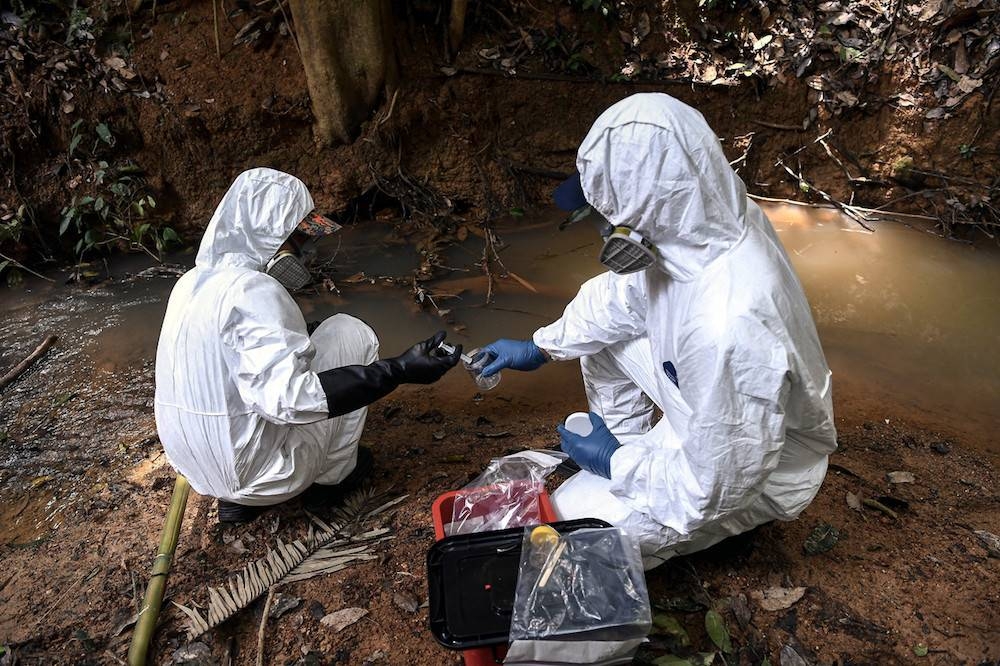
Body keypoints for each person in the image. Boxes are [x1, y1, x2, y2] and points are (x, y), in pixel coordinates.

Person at [478, 94, 837, 568]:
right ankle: (633, 454)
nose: (603, 228)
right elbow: (618, 300)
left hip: (756, 470)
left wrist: (614, 463)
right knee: (604, 340)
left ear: (646, 210)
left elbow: (713, 486)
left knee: (573, 534)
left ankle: (646, 480)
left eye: (607, 213)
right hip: (710, 405)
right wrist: (541, 346)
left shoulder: (729, 324)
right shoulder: (702, 223)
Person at [154, 168, 461, 523]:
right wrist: (399, 369)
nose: (305, 252)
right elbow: (292, 401)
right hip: (266, 476)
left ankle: (237, 501)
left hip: (198, 469)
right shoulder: (254, 290)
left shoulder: (190, 283)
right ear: (271, 237)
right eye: (298, 241)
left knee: (318, 342)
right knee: (350, 332)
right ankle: (330, 481)